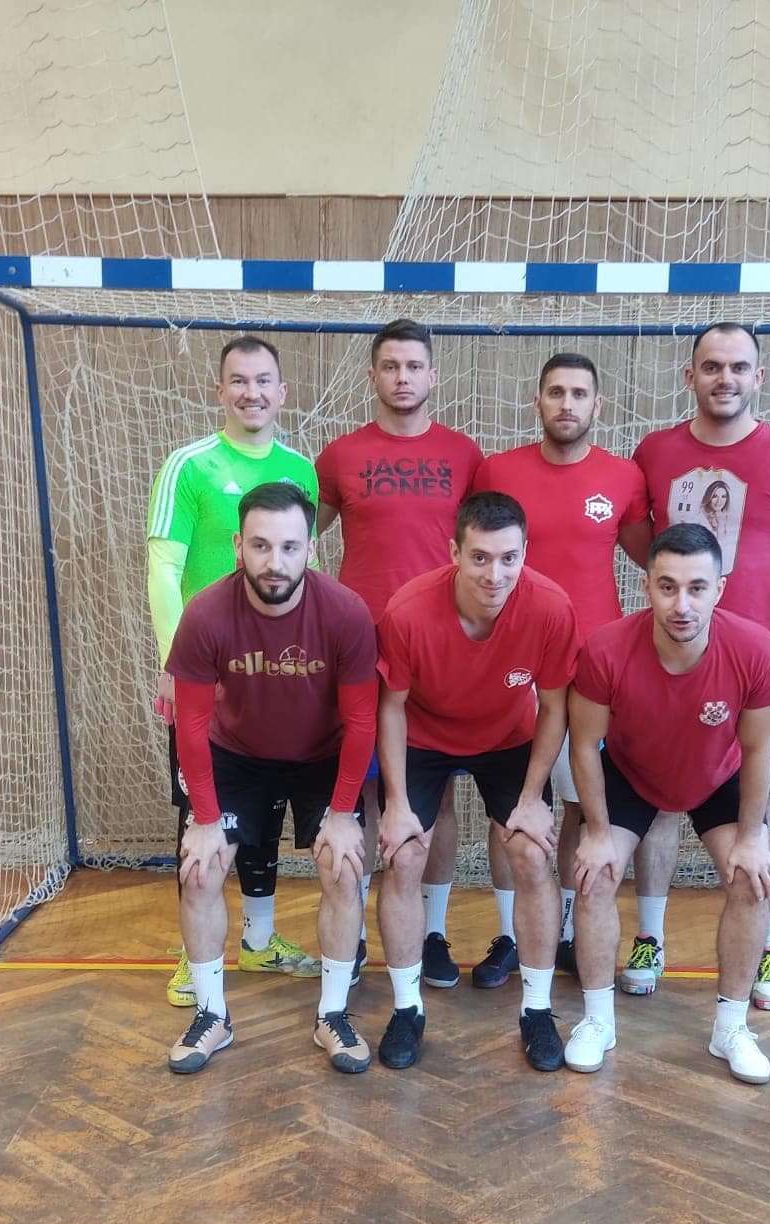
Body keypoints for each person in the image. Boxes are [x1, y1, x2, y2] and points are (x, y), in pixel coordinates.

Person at [626, 322, 770, 1005]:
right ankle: (649, 939)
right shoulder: (654, 452)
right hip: (667, 668)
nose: (725, 378)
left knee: (758, 813)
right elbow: (645, 547)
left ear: (758, 377)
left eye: (739, 367)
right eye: (711, 366)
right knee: (656, 804)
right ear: (691, 377)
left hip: (754, 676)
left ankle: (765, 947)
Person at [316, 320, 516, 990]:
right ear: (372, 375)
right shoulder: (340, 456)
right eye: (390, 366)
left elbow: (487, 545)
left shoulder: (464, 454)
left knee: (438, 796)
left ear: (433, 376)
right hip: (361, 648)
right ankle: (360, 931)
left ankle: (430, 933)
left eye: (414, 366)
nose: (402, 377)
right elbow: (299, 540)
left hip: (439, 649)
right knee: (364, 791)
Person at [163, 484, 379, 1075]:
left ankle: (332, 1015)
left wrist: (342, 813)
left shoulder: (345, 613)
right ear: (238, 546)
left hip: (321, 757)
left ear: (311, 548)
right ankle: (211, 1015)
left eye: (288, 547)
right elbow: (191, 725)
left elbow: (362, 722)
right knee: (200, 869)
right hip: (236, 755)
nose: (274, 562)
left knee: (343, 865)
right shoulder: (206, 613)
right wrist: (205, 820)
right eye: (260, 546)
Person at [567, 524, 770, 1082]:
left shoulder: (757, 651)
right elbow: (584, 746)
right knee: (594, 877)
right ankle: (597, 1022)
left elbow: (757, 749)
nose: (682, 604)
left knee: (751, 879)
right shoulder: (606, 650)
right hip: (632, 773)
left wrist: (752, 837)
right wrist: (598, 833)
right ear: (647, 587)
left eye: (696, 588)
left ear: (720, 589)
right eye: (667, 587)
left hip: (717, 775)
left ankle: (731, 1029)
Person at [372, 492, 578, 1071]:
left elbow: (554, 706)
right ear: (454, 553)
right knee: (404, 856)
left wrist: (533, 797)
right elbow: (391, 706)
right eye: (480, 558)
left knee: (531, 853)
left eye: (509, 558)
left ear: (525, 553)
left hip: (507, 738)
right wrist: (395, 802)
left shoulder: (551, 607)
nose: (495, 574)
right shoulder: (408, 611)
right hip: (423, 737)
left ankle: (537, 1010)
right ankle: (407, 1008)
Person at [147, 335, 323, 1006]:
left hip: (277, 674)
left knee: (266, 803)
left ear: (282, 392)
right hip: (207, 675)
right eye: (239, 381)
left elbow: (303, 568)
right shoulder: (189, 466)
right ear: (219, 391)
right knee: (204, 810)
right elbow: (163, 567)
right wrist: (175, 661)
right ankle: (194, 957)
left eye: (264, 380)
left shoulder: (301, 470)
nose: (252, 392)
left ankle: (259, 940)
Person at [472, 352, 650, 980]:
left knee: (580, 804)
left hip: (594, 673)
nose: (566, 404)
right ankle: (508, 937)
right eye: (555, 392)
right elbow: (477, 556)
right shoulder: (497, 471)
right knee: (511, 807)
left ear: (597, 405)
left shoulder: (624, 477)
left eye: (579, 394)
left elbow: (654, 561)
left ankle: (570, 931)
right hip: (514, 667)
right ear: (538, 401)